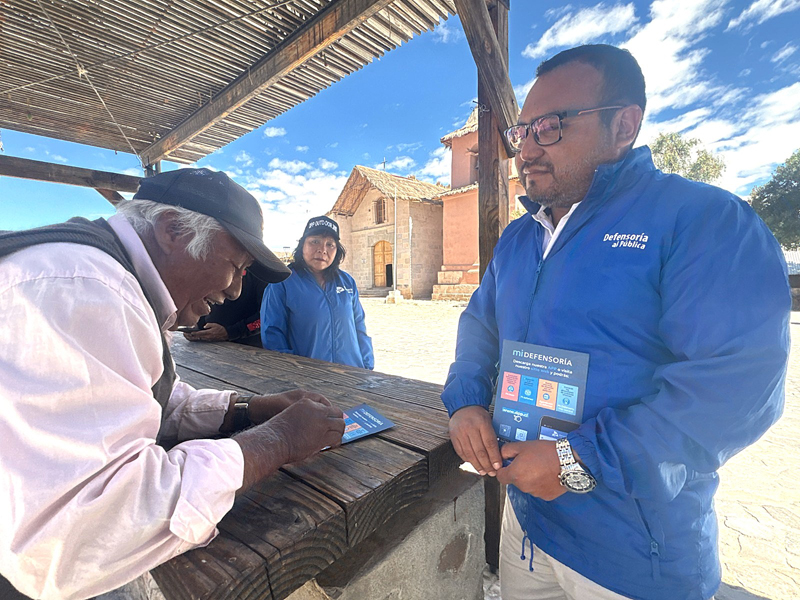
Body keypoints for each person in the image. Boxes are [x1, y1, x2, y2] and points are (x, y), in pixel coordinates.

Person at [441, 44, 790, 600]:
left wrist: (578, 460)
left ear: (623, 124)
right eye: (523, 131)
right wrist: (463, 400)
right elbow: (480, 326)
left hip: (634, 554)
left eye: (550, 128)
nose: (527, 149)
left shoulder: (702, 222)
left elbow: (736, 386)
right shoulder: (518, 238)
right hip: (528, 525)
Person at [0, 168, 346, 600]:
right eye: (235, 267)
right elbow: (76, 540)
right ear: (173, 230)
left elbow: (142, 395)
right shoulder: (85, 290)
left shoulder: (101, 273)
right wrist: (275, 441)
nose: (237, 290)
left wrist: (249, 410)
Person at [260, 216, 374, 370]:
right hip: (309, 377)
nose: (322, 250)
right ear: (302, 246)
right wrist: (294, 371)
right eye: (315, 241)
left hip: (353, 374)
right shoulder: (282, 282)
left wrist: (367, 366)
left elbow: (359, 326)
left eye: (330, 244)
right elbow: (273, 334)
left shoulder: (347, 282)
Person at [184, 268, 267, 347]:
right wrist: (195, 326)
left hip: (245, 348)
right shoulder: (212, 266)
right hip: (206, 344)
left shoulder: (261, 274)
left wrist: (230, 333)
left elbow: (265, 318)